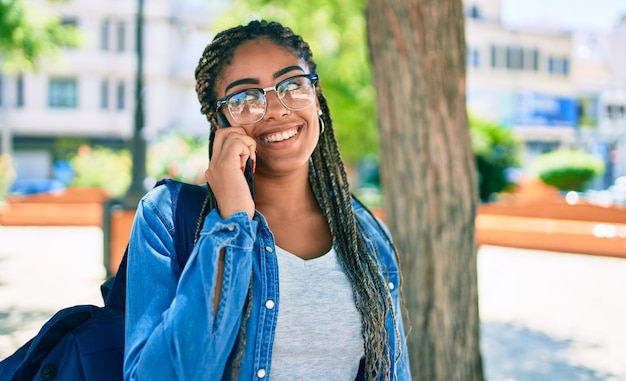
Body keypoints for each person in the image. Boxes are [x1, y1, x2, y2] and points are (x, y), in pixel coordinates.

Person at [123, 19, 411, 380]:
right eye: (245, 98)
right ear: (219, 119)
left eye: (293, 85)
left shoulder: (367, 236)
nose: (276, 109)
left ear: (317, 99)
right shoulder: (166, 217)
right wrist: (231, 227)